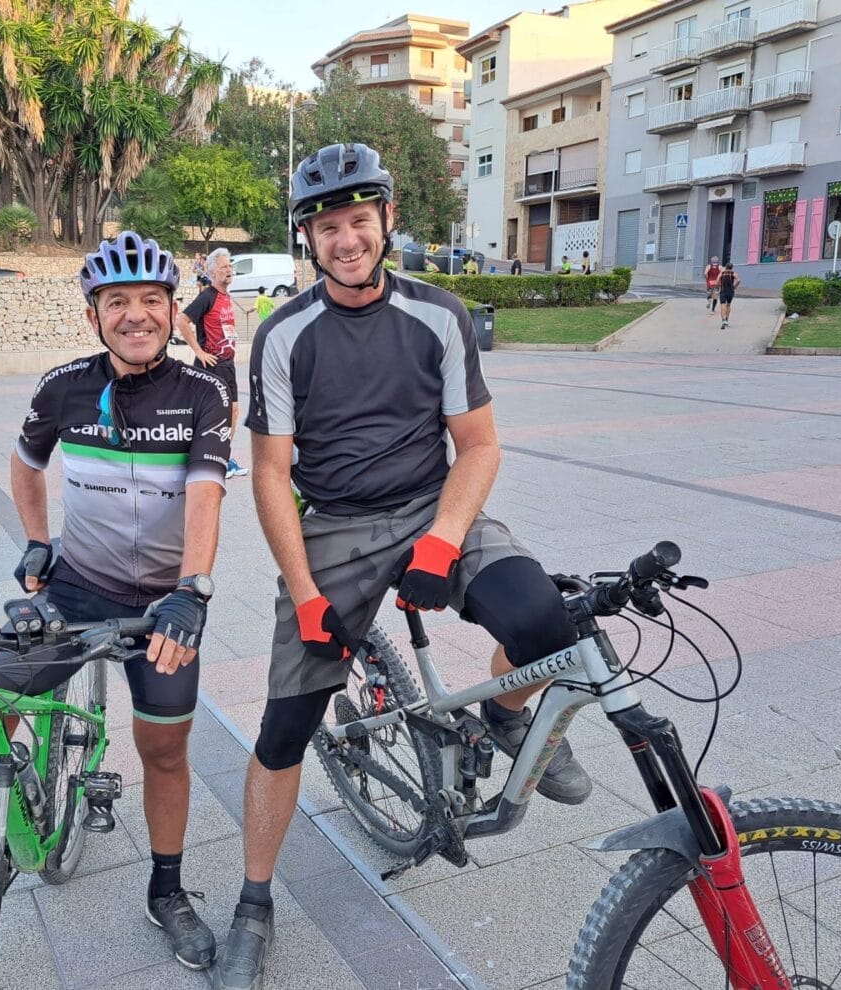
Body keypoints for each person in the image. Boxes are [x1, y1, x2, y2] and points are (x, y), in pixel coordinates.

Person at [215, 143, 590, 990]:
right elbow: (271, 475)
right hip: (338, 526)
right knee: (285, 728)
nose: (345, 239)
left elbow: (480, 445)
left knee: (544, 625)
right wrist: (307, 594)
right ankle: (252, 903)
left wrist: (441, 540)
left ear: (386, 221)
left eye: (358, 220)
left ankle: (501, 717)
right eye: (326, 226)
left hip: (433, 504)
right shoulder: (284, 334)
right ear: (307, 238)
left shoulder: (440, 314)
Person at [0, 230, 230, 971]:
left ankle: (166, 890)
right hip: (76, 588)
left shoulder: (203, 394)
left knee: (164, 748)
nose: (135, 315)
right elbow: (24, 462)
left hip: (163, 605)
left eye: (150, 300)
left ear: (174, 311)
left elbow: (207, 493)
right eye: (118, 302)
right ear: (93, 316)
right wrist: (37, 540)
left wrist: (192, 589)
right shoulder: (63, 387)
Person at [177, 247, 247, 478]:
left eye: (230, 267)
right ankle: (208, 459)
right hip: (212, 365)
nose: (229, 270)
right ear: (212, 272)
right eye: (224, 267)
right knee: (214, 413)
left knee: (234, 410)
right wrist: (199, 352)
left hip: (227, 364)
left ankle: (223, 457)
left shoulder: (225, 296)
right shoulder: (207, 296)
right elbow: (182, 321)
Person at [718, 262, 740, 329]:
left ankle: (723, 320)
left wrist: (719, 285)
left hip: (723, 291)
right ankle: (727, 320)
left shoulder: (722, 273)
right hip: (730, 291)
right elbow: (739, 280)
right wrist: (734, 287)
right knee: (728, 305)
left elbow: (717, 282)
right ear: (732, 267)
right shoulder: (733, 273)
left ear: (726, 267)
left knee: (722, 305)